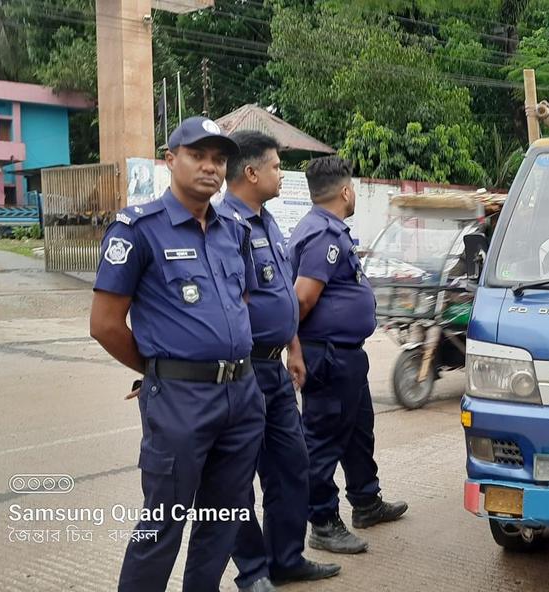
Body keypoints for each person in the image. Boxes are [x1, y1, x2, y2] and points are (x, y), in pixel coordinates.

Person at [89, 117, 264, 591]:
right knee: (163, 522)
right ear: (171, 159)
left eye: (219, 159)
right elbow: (104, 325)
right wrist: (158, 369)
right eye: (198, 155)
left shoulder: (234, 229)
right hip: (180, 401)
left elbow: (240, 302)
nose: (210, 167)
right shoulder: (138, 230)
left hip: (241, 397)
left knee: (224, 517)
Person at [222, 131, 341, 590]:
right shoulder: (223, 225)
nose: (281, 174)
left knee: (291, 464)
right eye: (275, 166)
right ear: (251, 172)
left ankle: (286, 559)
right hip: (243, 370)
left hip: (274, 367)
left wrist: (293, 347)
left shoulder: (267, 221)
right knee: (235, 478)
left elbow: (278, 296)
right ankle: (252, 571)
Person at [290, 156, 408, 555]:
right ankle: (322, 522)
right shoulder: (322, 234)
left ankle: (366, 501)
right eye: (353, 188)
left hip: (345, 356)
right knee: (322, 442)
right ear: (345, 191)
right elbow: (302, 299)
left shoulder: (329, 229)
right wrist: (293, 348)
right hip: (328, 355)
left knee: (358, 433)